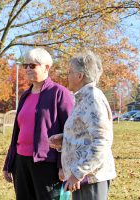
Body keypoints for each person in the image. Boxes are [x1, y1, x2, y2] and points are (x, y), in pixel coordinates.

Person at [3, 47, 74, 200]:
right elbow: (17, 132)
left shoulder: (59, 93)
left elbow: (70, 131)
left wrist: (63, 166)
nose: (27, 69)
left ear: (46, 67)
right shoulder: (25, 96)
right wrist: (9, 162)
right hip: (21, 162)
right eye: (25, 65)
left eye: (32, 65)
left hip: (47, 163)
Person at [49, 50, 117, 200]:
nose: (67, 76)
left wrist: (78, 173)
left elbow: (101, 141)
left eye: (69, 72)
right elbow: (85, 134)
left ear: (80, 76)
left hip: (91, 178)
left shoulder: (93, 98)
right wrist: (64, 139)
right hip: (82, 178)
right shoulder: (83, 98)